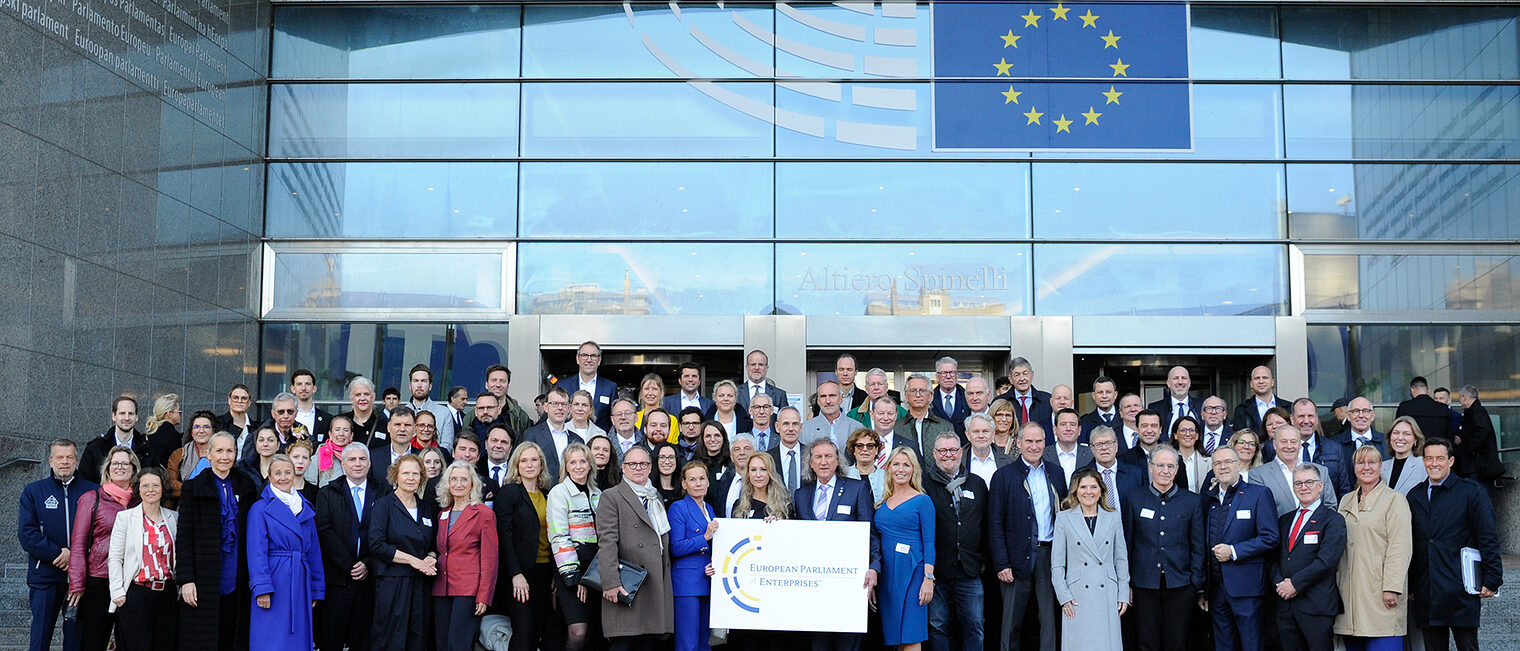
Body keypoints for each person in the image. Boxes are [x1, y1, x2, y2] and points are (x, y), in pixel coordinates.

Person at [1407, 437, 1502, 651]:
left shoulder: (1472, 492)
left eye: (1440, 458)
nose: (1434, 463)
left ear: (1450, 461)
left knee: (1467, 646)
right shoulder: (1414, 496)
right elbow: (1410, 543)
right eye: (1429, 458)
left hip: (1461, 588)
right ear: (1423, 461)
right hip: (1427, 589)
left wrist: (1493, 577)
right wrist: (1412, 584)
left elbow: (1487, 536)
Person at [177, 432, 259, 651]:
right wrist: (186, 579)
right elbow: (184, 537)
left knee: (234, 637)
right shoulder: (192, 488)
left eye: (230, 451)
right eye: (219, 451)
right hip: (203, 579)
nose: (225, 456)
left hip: (238, 577)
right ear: (209, 454)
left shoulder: (247, 486)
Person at [988, 422, 1065, 651]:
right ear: (1019, 443)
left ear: (1045, 443)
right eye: (1028, 441)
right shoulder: (1003, 476)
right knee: (1011, 620)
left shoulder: (1056, 472)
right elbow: (994, 523)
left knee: (1049, 619)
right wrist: (1002, 562)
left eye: (1039, 441)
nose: (1034, 446)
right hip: (1015, 557)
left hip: (1049, 554)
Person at [798, 437, 881, 651]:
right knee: (819, 644)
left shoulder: (857, 489)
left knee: (848, 643)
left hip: (849, 581)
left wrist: (874, 567)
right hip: (814, 585)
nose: (823, 462)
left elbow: (870, 532)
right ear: (811, 463)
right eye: (818, 457)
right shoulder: (801, 495)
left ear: (837, 461)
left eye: (828, 456)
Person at [1122, 445, 1205, 651]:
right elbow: (1127, 544)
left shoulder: (1192, 502)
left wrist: (1195, 581)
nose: (1165, 471)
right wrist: (1127, 583)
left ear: (1177, 470)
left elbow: (1198, 545)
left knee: (1176, 642)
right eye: (1160, 465)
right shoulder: (1134, 499)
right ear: (1150, 467)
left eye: (1170, 466)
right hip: (1143, 584)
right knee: (1146, 641)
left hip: (1180, 584)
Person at [596, 445, 676, 651]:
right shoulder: (611, 496)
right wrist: (610, 582)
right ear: (623, 468)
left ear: (650, 468)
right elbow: (607, 542)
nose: (638, 468)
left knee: (646, 643)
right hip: (627, 582)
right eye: (633, 464)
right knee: (623, 643)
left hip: (654, 580)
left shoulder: (655, 496)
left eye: (643, 464)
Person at [1336, 445, 1414, 651]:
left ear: (1381, 466)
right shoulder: (1345, 500)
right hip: (1349, 596)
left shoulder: (1395, 500)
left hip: (1380, 595)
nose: (1366, 467)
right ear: (1354, 467)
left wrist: (1392, 587)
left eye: (1372, 462)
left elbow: (1401, 547)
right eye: (1361, 462)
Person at [1201, 447, 1280, 651]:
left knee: (1251, 645)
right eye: (1217, 463)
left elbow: (1270, 538)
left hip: (1247, 588)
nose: (1223, 466)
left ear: (1238, 464)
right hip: (1216, 589)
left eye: (1227, 461)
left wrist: (1234, 551)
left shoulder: (1258, 494)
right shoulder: (1209, 499)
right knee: (1223, 646)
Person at [20, 439, 95, 651]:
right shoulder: (33, 491)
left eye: (69, 457)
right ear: (51, 461)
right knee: (40, 637)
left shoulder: (92, 491)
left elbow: (100, 533)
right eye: (60, 457)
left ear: (76, 461)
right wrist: (58, 554)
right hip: (45, 577)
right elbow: (27, 534)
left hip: (79, 580)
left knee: (75, 640)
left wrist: (77, 556)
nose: (64, 462)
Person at [246, 454, 325, 651]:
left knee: (297, 638)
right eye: (278, 473)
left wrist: (316, 587)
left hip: (300, 581)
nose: (283, 477)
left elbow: (314, 552)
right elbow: (256, 552)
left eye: (287, 472)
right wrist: (262, 587)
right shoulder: (260, 509)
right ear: (269, 476)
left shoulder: (305, 508)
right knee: (271, 638)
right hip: (275, 581)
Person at [314, 443, 385, 651]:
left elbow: (386, 533)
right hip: (337, 581)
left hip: (369, 582)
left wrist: (367, 564)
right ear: (342, 464)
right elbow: (324, 531)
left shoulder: (382, 493)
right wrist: (350, 565)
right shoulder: (327, 493)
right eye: (352, 460)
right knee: (331, 640)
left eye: (362, 459)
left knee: (362, 642)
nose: (357, 464)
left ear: (370, 463)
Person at [69, 446, 141, 651]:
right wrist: (76, 584)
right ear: (107, 469)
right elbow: (79, 545)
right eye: (115, 463)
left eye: (125, 463)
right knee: (94, 640)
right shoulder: (92, 498)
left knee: (128, 641)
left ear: (133, 469)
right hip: (100, 580)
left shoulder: (140, 502)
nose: (120, 467)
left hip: (131, 581)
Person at [1269, 463, 1346, 651]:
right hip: (1285, 605)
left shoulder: (1333, 519)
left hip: (1315, 605)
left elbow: (1326, 561)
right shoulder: (1284, 520)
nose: (1303, 487)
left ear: (1320, 486)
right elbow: (1273, 558)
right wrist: (1279, 583)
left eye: (1309, 482)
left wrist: (1294, 584)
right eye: (1298, 483)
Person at [1051, 468, 1129, 651]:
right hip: (1077, 594)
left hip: (1107, 592)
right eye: (1083, 487)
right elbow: (1057, 564)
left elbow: (1121, 559)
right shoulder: (1064, 518)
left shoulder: (1113, 516)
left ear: (1101, 489)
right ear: (1075, 491)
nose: (1088, 492)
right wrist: (1064, 597)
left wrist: (1123, 593)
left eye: (1093, 487)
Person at [921, 433, 984, 651]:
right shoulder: (922, 484)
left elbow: (985, 524)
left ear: (961, 452)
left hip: (969, 569)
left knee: (975, 626)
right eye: (943, 451)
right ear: (934, 454)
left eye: (953, 450)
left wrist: (981, 561)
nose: (949, 455)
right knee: (937, 625)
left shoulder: (977, 483)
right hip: (937, 569)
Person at [369, 454, 438, 651]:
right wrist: (413, 561)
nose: (410, 478)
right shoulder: (383, 506)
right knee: (391, 638)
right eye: (405, 473)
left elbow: (434, 544)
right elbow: (376, 545)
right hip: (392, 583)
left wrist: (431, 558)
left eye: (415, 474)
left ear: (422, 477)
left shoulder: (426, 508)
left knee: (418, 637)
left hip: (421, 584)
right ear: (395, 476)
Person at [105, 467, 177, 651]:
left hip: (167, 595)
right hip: (137, 594)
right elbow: (114, 557)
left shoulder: (174, 518)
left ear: (163, 488)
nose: (150, 489)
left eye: (155, 485)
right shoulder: (125, 518)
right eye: (145, 486)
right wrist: (118, 592)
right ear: (138, 489)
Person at [495, 441, 556, 651]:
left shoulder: (549, 495)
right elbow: (504, 536)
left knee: (539, 630)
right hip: (521, 574)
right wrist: (515, 574)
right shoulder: (509, 493)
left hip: (545, 572)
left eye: (534, 460)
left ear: (541, 465)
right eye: (524, 460)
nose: (529, 465)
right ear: (517, 465)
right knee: (523, 632)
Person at [875, 447, 936, 651]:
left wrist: (928, 579)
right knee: (895, 636)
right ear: (889, 468)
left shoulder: (922, 500)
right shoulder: (882, 502)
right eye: (896, 464)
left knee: (911, 635)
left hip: (913, 574)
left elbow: (929, 542)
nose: (901, 469)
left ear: (913, 470)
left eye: (906, 464)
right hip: (888, 578)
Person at [433, 461, 499, 651]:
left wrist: (484, 595)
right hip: (441, 589)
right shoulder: (442, 515)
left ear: (472, 484)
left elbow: (490, 558)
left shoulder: (484, 514)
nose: (459, 484)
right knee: (442, 645)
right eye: (454, 479)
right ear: (448, 483)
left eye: (464, 479)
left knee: (459, 645)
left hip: (468, 591)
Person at [548, 443, 603, 651]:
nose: (578, 466)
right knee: (577, 631)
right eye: (573, 462)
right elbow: (559, 536)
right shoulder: (559, 492)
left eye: (582, 461)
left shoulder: (597, 493)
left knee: (594, 632)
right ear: (566, 467)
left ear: (590, 465)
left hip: (597, 570)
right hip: (571, 569)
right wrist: (576, 577)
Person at [669, 461, 719, 651]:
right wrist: (704, 537)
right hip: (686, 583)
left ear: (708, 482)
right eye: (692, 479)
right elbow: (675, 547)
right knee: (687, 643)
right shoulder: (678, 508)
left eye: (701, 479)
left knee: (703, 642)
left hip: (707, 579)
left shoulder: (710, 509)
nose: (698, 483)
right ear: (684, 484)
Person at [80, 396, 148, 484]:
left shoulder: (148, 450)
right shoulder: (95, 449)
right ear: (114, 416)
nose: (127, 418)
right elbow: (85, 483)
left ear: (136, 417)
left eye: (131, 413)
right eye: (122, 413)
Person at [168, 410, 219, 504]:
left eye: (206, 427)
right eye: (196, 427)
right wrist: (196, 490)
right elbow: (170, 484)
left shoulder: (222, 455)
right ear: (191, 431)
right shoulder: (179, 454)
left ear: (214, 431)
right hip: (185, 507)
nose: (201, 431)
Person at [1454, 385, 1502, 484]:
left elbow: (1481, 432)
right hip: (1478, 463)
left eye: (1460, 398)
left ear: (1465, 397)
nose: (1459, 402)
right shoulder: (1475, 411)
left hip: (1477, 463)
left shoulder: (1476, 411)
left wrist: (1469, 447)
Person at [1231, 366, 1292, 434]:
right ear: (1251, 384)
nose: (1261, 381)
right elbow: (1239, 437)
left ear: (1272, 382)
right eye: (1257, 378)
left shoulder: (1289, 407)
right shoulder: (1241, 410)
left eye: (1265, 377)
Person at [1395, 377, 1451, 443]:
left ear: (1412, 389)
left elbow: (1399, 431)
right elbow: (1449, 436)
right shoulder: (1443, 409)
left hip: (1414, 450)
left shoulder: (1404, 408)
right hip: (1437, 450)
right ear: (1428, 390)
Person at [1382, 416, 1427, 496]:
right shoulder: (1381, 467)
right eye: (1396, 433)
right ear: (1390, 437)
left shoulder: (1424, 465)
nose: (1400, 438)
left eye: (1407, 434)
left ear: (1415, 439)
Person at [340, 377, 389, 447]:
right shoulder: (340, 422)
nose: (362, 398)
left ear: (373, 397)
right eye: (358, 395)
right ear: (351, 398)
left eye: (366, 394)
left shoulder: (384, 425)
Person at [843, 428, 888, 502]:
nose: (864, 449)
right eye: (860, 446)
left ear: (876, 450)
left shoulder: (886, 476)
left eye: (870, 446)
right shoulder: (844, 474)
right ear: (853, 450)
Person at [143, 393, 183, 470]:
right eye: (179, 412)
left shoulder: (149, 433)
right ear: (170, 414)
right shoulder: (172, 436)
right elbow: (176, 464)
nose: (180, 415)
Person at [315, 415, 357, 488]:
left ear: (351, 435)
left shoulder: (359, 455)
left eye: (346, 430)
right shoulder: (318, 456)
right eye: (337, 430)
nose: (341, 434)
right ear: (330, 434)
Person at [1172, 415, 1209, 493]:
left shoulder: (1209, 462)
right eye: (1183, 430)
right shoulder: (1168, 460)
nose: (1188, 434)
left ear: (1197, 435)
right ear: (1175, 435)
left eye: (1192, 430)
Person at [220, 385, 257, 456]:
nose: (239, 401)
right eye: (235, 398)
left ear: (249, 403)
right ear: (229, 400)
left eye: (244, 398)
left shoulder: (256, 428)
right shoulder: (218, 423)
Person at [286, 440, 320, 504]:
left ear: (310, 462)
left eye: (305, 458)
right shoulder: (276, 489)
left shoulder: (317, 493)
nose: (300, 461)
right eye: (296, 457)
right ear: (287, 459)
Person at [653, 441, 685, 507]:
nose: (667, 462)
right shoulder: (649, 489)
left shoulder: (683, 490)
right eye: (662, 457)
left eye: (671, 457)